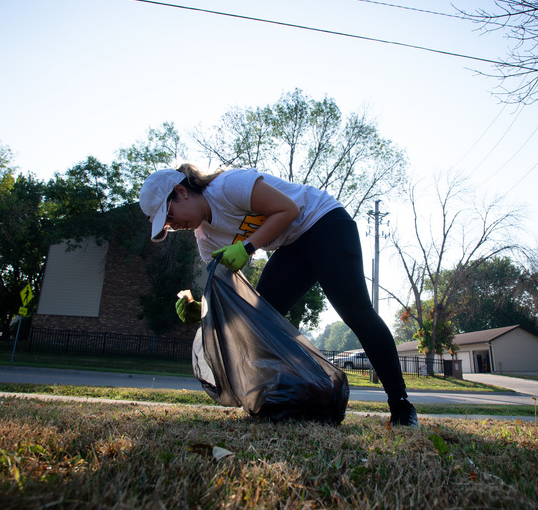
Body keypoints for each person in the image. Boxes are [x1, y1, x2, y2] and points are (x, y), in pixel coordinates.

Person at [139, 163, 418, 427]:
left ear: (181, 191)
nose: (173, 226)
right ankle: (292, 402)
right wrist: (203, 309)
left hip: (324, 223)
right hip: (293, 244)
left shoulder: (227, 186)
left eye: (170, 216)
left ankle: (401, 406)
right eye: (167, 226)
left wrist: (247, 248)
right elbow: (229, 294)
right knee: (257, 322)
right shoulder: (206, 239)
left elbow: (289, 209)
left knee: (356, 313)